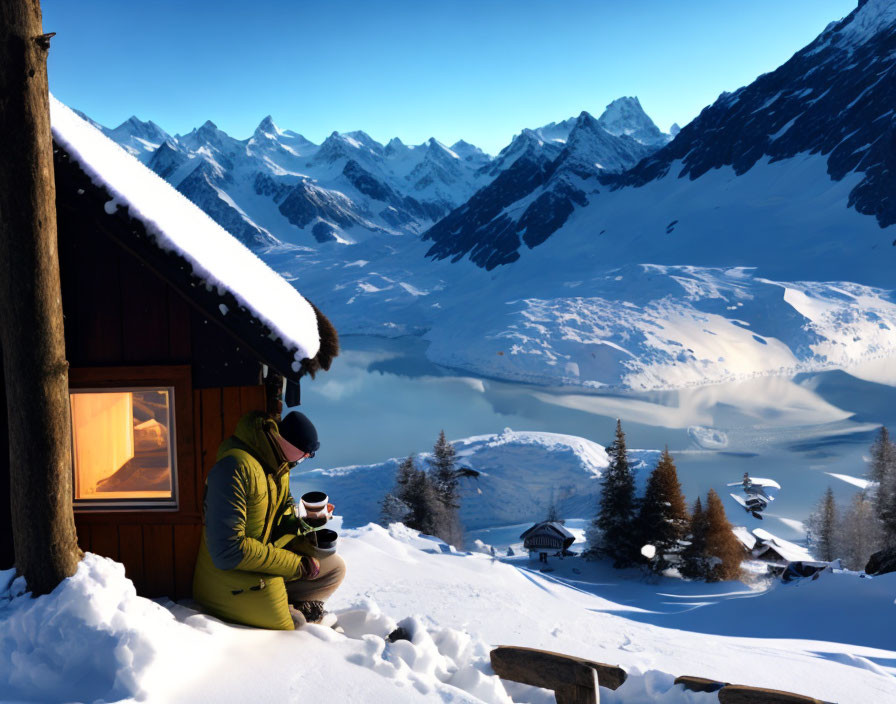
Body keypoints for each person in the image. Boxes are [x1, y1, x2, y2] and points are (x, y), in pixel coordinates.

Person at [193, 409, 345, 630]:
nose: (306, 459)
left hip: (259, 563)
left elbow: (280, 517)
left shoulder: (278, 467)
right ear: (289, 444)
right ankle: (296, 613)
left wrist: (305, 520)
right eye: (306, 453)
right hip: (229, 579)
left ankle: (298, 604)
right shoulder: (235, 468)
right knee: (295, 625)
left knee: (334, 568)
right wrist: (297, 565)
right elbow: (228, 551)